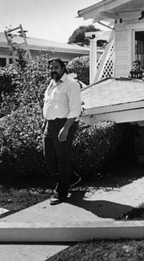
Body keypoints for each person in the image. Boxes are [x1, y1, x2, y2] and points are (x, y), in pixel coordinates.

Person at [42, 58, 82, 205]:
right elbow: (49, 104)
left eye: (56, 67)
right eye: (51, 68)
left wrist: (65, 128)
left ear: (63, 68)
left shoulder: (71, 84)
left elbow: (76, 109)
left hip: (64, 123)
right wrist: (45, 122)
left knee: (62, 159)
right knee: (49, 156)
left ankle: (62, 192)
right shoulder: (52, 83)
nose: (53, 70)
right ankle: (71, 177)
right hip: (50, 124)